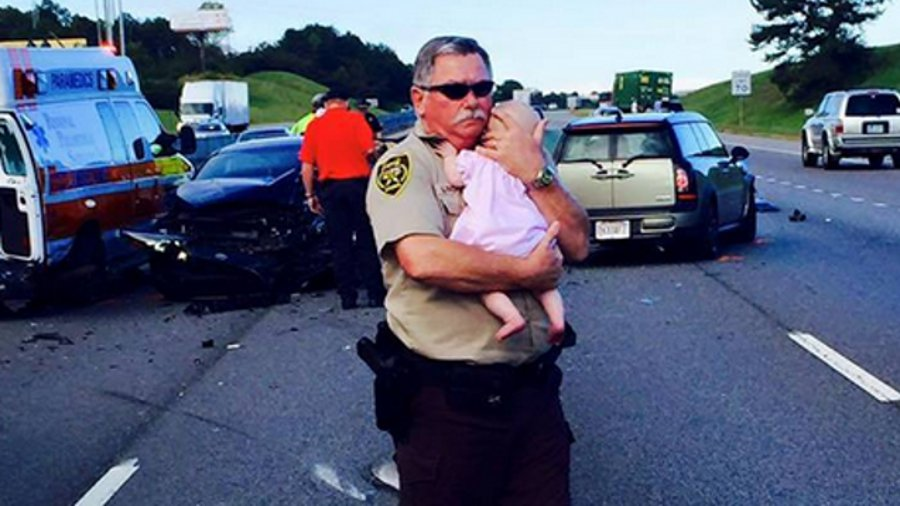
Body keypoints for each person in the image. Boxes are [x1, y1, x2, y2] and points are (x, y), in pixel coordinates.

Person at [364, 35, 589, 505]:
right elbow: (423, 259)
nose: (473, 102)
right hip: (450, 408)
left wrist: (535, 172)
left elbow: (578, 242)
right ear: (419, 99)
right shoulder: (409, 164)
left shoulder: (516, 154)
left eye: (483, 88)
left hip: (534, 395)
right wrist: (527, 273)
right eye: (455, 90)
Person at [436, 100, 565, 343]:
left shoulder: (475, 159)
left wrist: (449, 156)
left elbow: (454, 178)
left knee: (486, 285)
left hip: (487, 234)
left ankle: (511, 317)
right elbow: (535, 149)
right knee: (545, 285)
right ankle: (557, 320)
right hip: (527, 233)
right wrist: (537, 134)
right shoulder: (525, 161)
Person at [300, 88, 385, 309]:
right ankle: (375, 293)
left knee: (340, 244)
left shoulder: (314, 126)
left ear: (326, 104)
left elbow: (307, 167)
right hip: (359, 186)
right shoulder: (357, 121)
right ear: (346, 102)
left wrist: (310, 195)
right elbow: (370, 153)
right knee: (366, 240)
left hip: (331, 189)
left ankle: (348, 297)